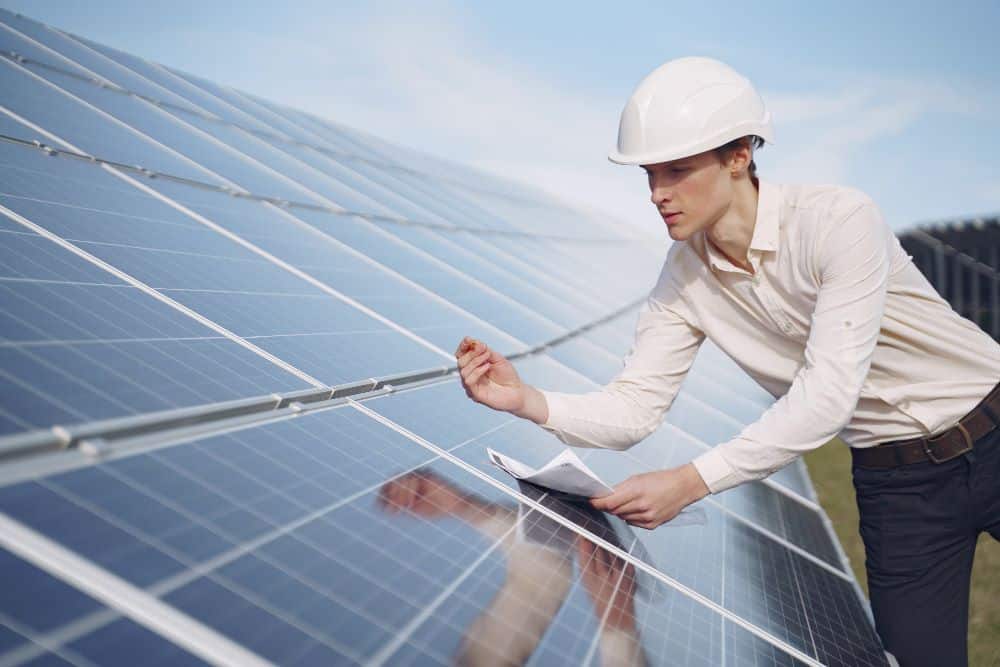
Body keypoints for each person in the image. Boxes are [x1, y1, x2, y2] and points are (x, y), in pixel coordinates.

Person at [454, 56, 1000, 667]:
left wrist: (689, 482)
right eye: (649, 173)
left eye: (678, 170)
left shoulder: (838, 220)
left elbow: (827, 395)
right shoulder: (682, 278)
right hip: (899, 487)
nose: (658, 192)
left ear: (739, 154)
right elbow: (635, 408)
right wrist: (526, 400)